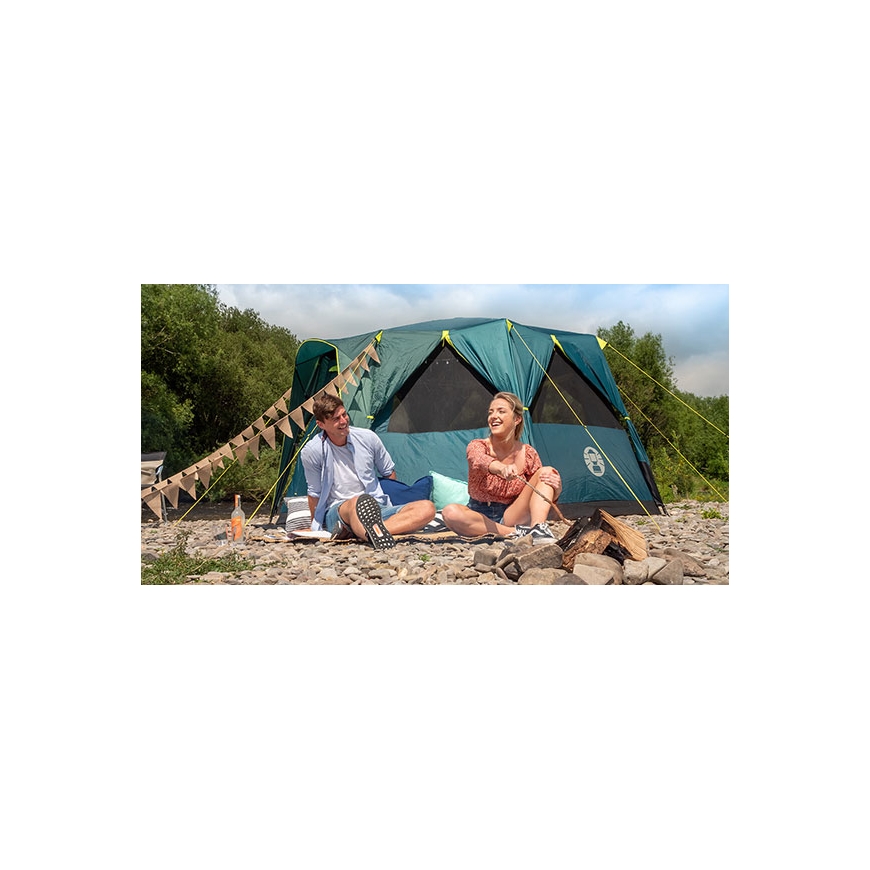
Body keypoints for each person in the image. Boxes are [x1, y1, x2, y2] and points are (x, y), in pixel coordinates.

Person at [299, 393, 436, 549]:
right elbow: (314, 492)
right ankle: (369, 530)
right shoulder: (312, 451)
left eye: (344, 414)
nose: (343, 421)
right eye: (336, 419)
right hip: (339, 510)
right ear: (321, 424)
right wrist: (315, 526)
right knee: (356, 502)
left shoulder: (368, 438)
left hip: (377, 506)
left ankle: (366, 532)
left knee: (427, 508)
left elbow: (388, 472)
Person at [441, 391, 562, 543]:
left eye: (501, 411)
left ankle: (538, 528)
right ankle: (516, 532)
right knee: (450, 512)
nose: (493, 416)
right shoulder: (477, 445)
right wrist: (501, 468)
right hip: (478, 515)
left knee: (547, 472)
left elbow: (536, 493)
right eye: (491, 412)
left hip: (512, 514)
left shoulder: (529, 453)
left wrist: (556, 491)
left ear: (517, 419)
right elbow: (478, 460)